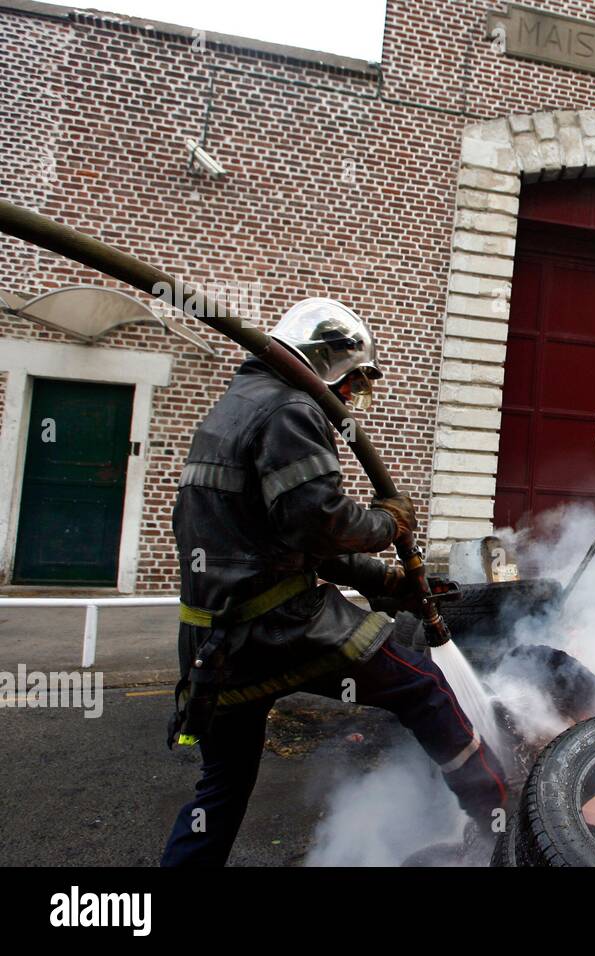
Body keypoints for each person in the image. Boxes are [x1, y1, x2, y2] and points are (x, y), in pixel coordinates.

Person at [161, 298, 507, 866]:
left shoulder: (235, 406)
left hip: (212, 642)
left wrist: (387, 582)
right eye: (352, 385)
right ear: (330, 366)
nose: (348, 400)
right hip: (277, 625)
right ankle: (498, 819)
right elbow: (316, 523)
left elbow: (282, 541)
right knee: (421, 686)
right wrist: (387, 523)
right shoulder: (290, 409)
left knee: (221, 790)